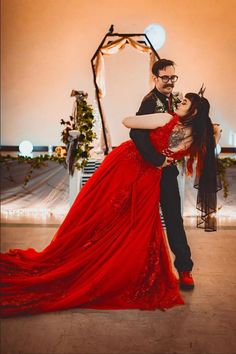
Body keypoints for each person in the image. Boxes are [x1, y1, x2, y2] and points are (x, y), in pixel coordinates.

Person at [0, 92, 219, 317]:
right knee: (110, 213)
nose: (180, 100)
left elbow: (210, 143)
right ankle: (93, 263)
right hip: (129, 164)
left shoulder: (197, 135)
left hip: (152, 178)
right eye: (181, 99)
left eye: (185, 102)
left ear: (195, 111)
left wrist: (210, 133)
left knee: (148, 221)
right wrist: (158, 156)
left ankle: (176, 268)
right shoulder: (165, 117)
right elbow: (129, 122)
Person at [130, 59, 194, 290]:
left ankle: (185, 269)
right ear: (155, 78)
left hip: (167, 173)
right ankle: (143, 270)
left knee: (174, 218)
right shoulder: (149, 102)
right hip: (149, 171)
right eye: (165, 77)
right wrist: (157, 160)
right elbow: (136, 134)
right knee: (144, 220)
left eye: (172, 77)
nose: (169, 82)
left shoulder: (175, 100)